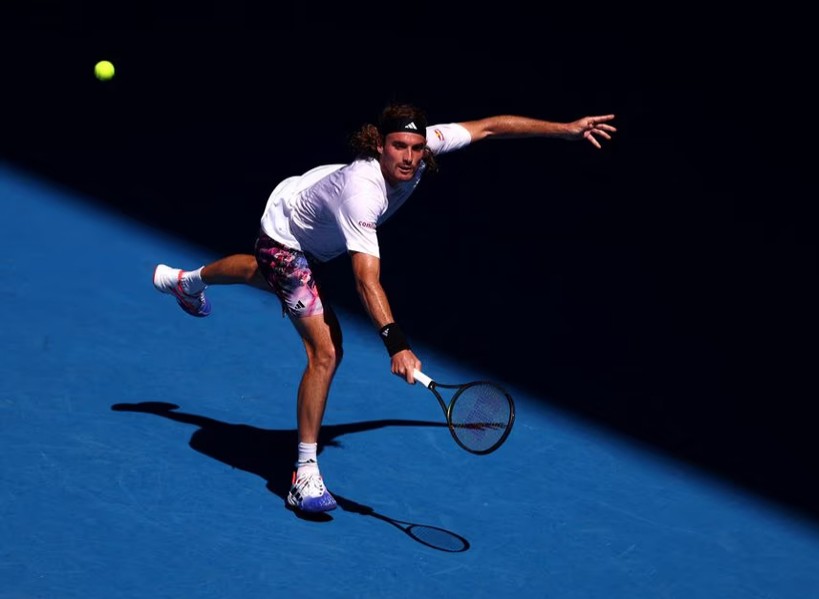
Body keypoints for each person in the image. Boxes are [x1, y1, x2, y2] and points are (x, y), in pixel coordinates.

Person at [152, 103, 617, 513]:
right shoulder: (363, 192)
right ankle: (303, 475)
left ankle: (184, 281)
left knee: (262, 274)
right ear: (378, 144)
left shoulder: (423, 148)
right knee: (326, 351)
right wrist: (397, 345)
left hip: (302, 209)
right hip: (290, 241)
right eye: (399, 147)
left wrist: (566, 129)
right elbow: (365, 279)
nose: (410, 158)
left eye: (416, 148)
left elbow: (490, 127)